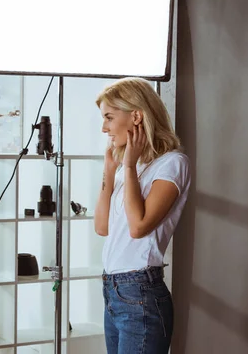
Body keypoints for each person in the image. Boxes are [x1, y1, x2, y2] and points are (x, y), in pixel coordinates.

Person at [94, 77, 191, 354]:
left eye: (109, 117)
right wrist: (109, 172)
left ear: (136, 115)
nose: (104, 128)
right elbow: (102, 227)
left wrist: (127, 165)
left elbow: (138, 227)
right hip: (113, 291)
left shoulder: (172, 164)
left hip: (140, 294)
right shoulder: (133, 167)